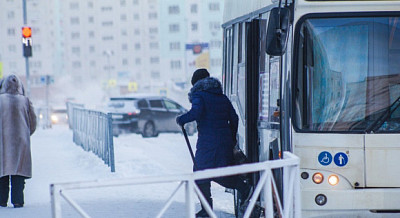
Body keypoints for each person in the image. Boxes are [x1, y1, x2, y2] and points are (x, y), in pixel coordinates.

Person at [176, 69, 251, 217]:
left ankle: (208, 209)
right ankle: (242, 187)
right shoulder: (221, 96)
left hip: (208, 143)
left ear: (196, 83)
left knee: (200, 174)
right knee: (220, 172)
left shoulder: (199, 95)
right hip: (223, 143)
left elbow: (196, 112)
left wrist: (182, 119)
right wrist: (231, 137)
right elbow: (234, 118)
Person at [0, 75, 36, 208]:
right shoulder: (25, 101)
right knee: (19, 173)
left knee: (2, 173)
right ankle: (18, 201)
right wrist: (25, 134)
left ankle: (1, 200)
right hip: (21, 142)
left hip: (1, 143)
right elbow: (32, 123)